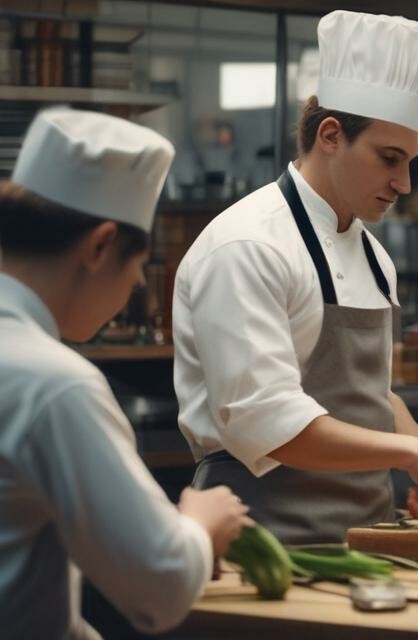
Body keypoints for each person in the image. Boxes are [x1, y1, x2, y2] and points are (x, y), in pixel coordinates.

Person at [174, 10, 418, 543]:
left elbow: (369, 395)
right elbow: (268, 423)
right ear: (330, 135)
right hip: (267, 535)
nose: (405, 183)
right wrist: (412, 452)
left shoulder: (373, 254)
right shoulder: (248, 246)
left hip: (365, 532)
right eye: (389, 158)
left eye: (410, 161)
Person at [0, 108, 251, 638]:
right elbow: (158, 586)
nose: (135, 286)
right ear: (99, 247)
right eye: (138, 268)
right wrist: (201, 523)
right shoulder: (56, 385)